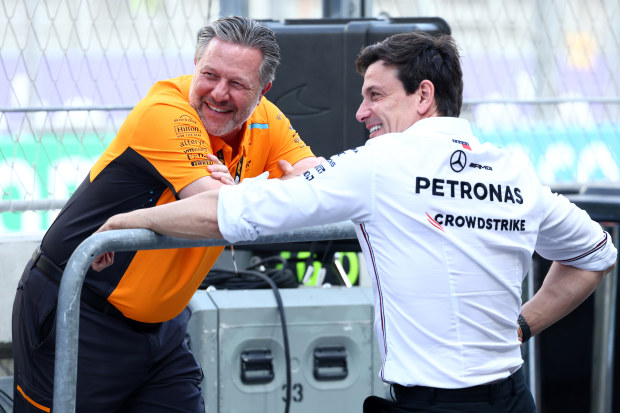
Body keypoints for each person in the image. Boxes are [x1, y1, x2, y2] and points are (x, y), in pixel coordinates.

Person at [94, 32, 617, 413]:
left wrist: (124, 220)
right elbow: (595, 254)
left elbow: (227, 214)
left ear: (424, 97)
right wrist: (521, 327)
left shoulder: (380, 164)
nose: (361, 113)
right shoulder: (514, 170)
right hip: (513, 397)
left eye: (375, 96)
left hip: (431, 405)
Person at [11, 16, 321, 412]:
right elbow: (219, 212)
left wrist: (243, 191)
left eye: (238, 84)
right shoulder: (166, 111)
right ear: (195, 63)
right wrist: (256, 193)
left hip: (164, 327)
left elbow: (320, 181)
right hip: (80, 311)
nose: (219, 93)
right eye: (209, 74)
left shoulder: (268, 118)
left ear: (263, 90)